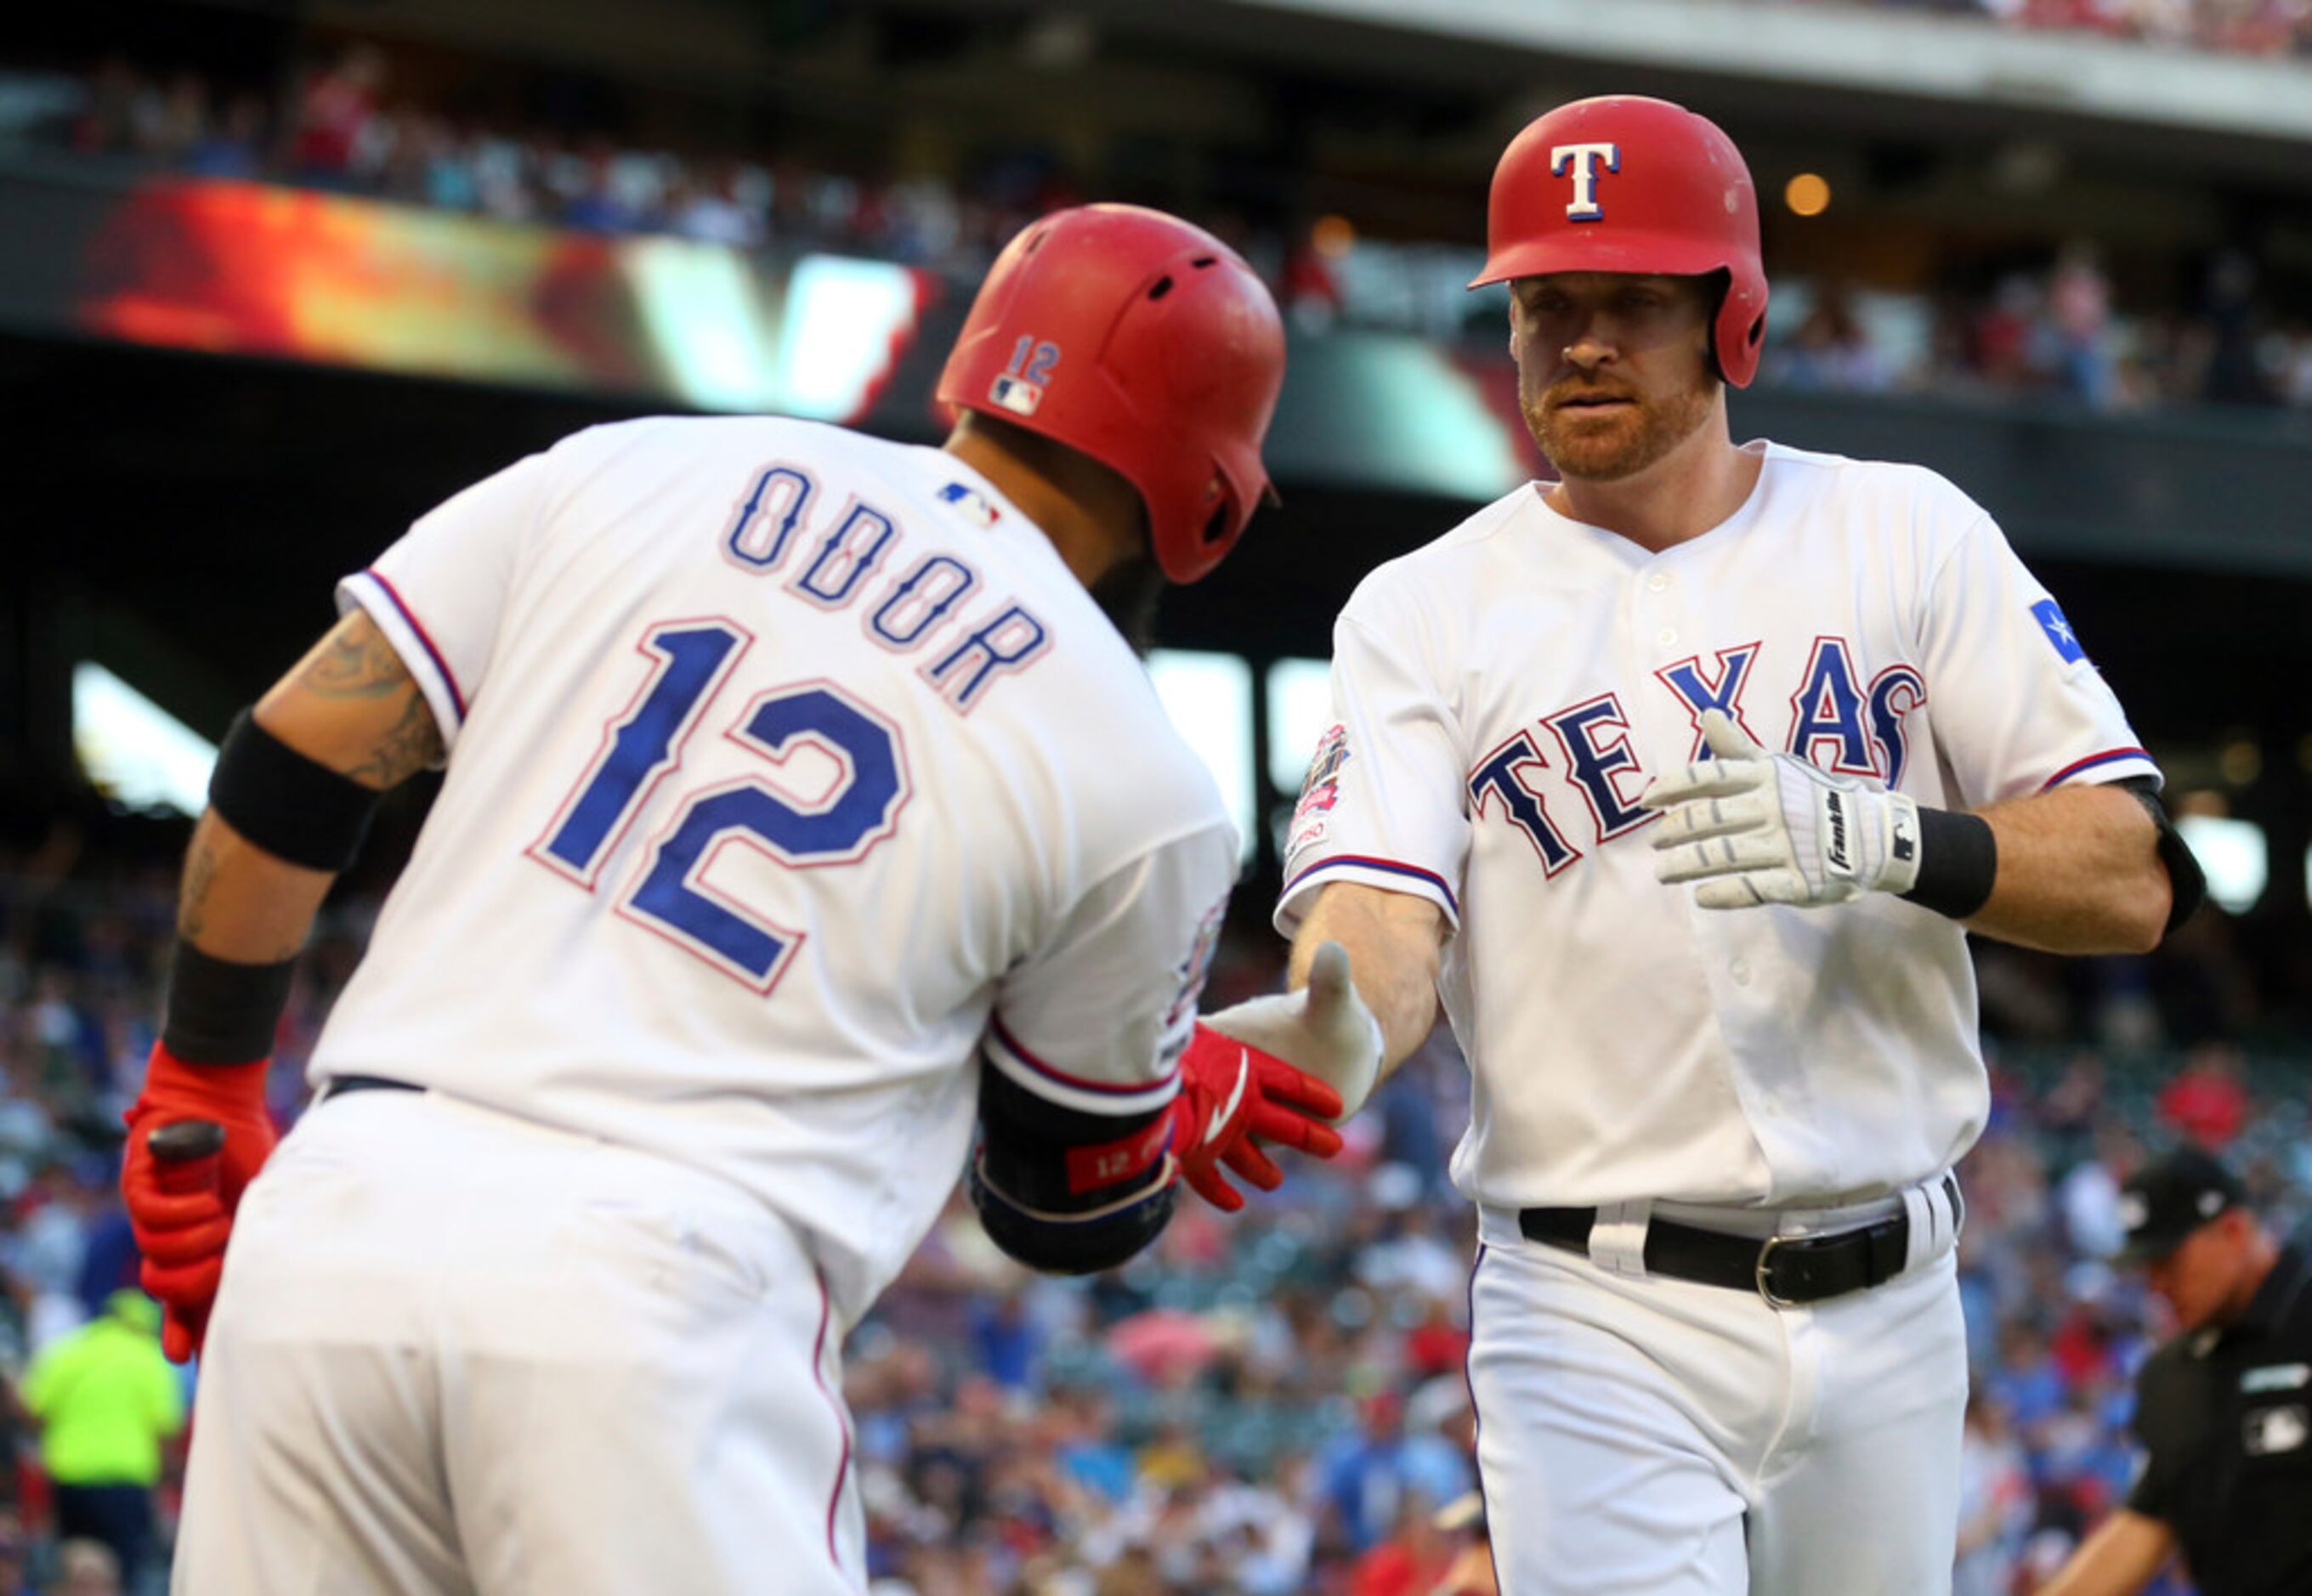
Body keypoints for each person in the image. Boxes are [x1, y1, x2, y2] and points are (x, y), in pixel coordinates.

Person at [116, 202, 1362, 1593]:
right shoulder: (1144, 769)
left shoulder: (639, 463)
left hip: (343, 1211)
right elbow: (1056, 1208)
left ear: (978, 359)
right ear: (1213, 499)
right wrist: (1162, 1103)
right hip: (658, 1289)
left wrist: (202, 1076)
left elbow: (300, 750)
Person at [1270, 94, 2204, 1593]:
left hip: (1894, 1293)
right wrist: (1318, 1020)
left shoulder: (1905, 531)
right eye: (1544, 302)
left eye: (1632, 303)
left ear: (1734, 318)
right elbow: (1381, 920)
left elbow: (2130, 873)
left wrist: (1883, 833)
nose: (1579, 341)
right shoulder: (1421, 607)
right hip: (1592, 1302)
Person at [2039, 1149, 2312, 1595]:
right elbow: (2144, 1525)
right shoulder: (2169, 1377)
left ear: (2234, 1231)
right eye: (2145, 1266)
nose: (2155, 1284)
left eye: (2168, 1261)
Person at [16, 1290, 183, 1592]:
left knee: (74, 1567)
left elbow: (33, 1411)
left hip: (69, 1476)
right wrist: (164, 1478)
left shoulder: (69, 1351)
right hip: (126, 1479)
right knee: (126, 1571)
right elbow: (165, 1430)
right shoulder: (148, 1357)